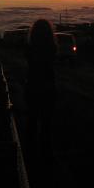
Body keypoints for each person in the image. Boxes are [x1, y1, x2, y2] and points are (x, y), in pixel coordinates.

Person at [24, 19, 58, 161]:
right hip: (48, 89)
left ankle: (30, 153)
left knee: (31, 121)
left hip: (32, 87)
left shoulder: (30, 49)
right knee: (46, 124)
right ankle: (46, 154)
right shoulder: (52, 48)